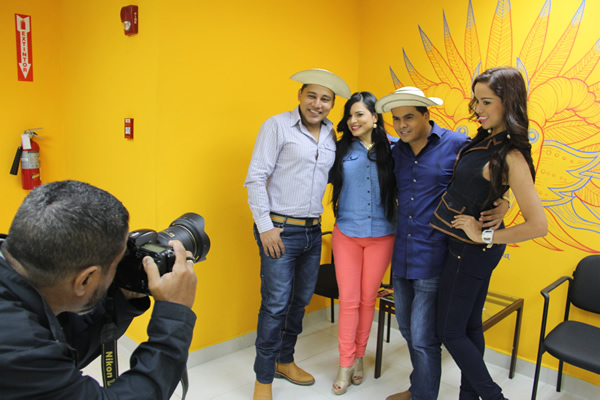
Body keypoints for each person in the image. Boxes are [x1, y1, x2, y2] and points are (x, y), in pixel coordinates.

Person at [0, 180, 198, 399]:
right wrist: (174, 315)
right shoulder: (22, 349)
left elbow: (59, 343)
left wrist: (123, 299)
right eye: (117, 263)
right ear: (85, 279)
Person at [374, 87, 509, 400]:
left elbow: (495, 176)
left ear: (426, 115)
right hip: (402, 256)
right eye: (396, 119)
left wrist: (505, 202)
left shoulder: (459, 145)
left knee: (424, 338)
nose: (402, 125)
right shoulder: (396, 151)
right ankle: (418, 387)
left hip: (437, 256)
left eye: (409, 117)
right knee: (408, 331)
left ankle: (424, 395)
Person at [431, 67, 548, 400]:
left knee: (449, 332)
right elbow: (491, 184)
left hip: (471, 252)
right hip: (469, 249)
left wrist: (481, 235)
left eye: (486, 102)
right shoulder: (489, 140)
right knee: (468, 327)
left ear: (508, 103)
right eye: (476, 101)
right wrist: (504, 200)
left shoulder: (510, 155)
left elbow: (538, 225)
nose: (478, 109)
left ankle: (494, 397)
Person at [244, 68, 351, 400]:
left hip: (312, 232)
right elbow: (255, 177)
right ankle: (263, 379)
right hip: (279, 230)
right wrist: (265, 228)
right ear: (300, 96)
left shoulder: (332, 135)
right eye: (312, 96)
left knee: (299, 302)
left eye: (325, 99)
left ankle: (284, 360)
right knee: (275, 305)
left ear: (332, 104)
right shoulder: (276, 126)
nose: (317, 104)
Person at [328, 92, 397, 395]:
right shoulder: (339, 148)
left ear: (375, 117)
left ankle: (359, 357)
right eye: (349, 115)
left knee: (368, 300)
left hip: (382, 236)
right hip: (347, 234)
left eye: (359, 114)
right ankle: (345, 364)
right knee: (349, 301)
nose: (353, 121)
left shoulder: (395, 148)